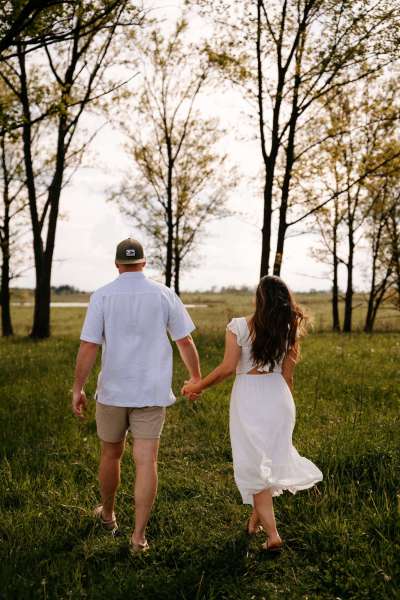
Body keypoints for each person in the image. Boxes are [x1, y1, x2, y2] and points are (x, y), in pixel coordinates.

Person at [72, 238, 201, 554]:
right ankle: (138, 537)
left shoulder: (102, 296)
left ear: (117, 264)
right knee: (146, 461)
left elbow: (89, 346)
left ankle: (108, 515)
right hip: (151, 391)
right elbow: (183, 341)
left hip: (113, 392)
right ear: (144, 263)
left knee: (110, 454)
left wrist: (78, 388)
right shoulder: (164, 293)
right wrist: (196, 377)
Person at [182, 275, 322, 552]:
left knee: (253, 464)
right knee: (267, 459)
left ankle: (273, 535)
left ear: (259, 299)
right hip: (279, 398)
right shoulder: (288, 329)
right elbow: (288, 377)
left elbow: (225, 369)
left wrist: (196, 386)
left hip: (250, 398)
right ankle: (255, 521)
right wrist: (285, 408)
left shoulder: (238, 327)